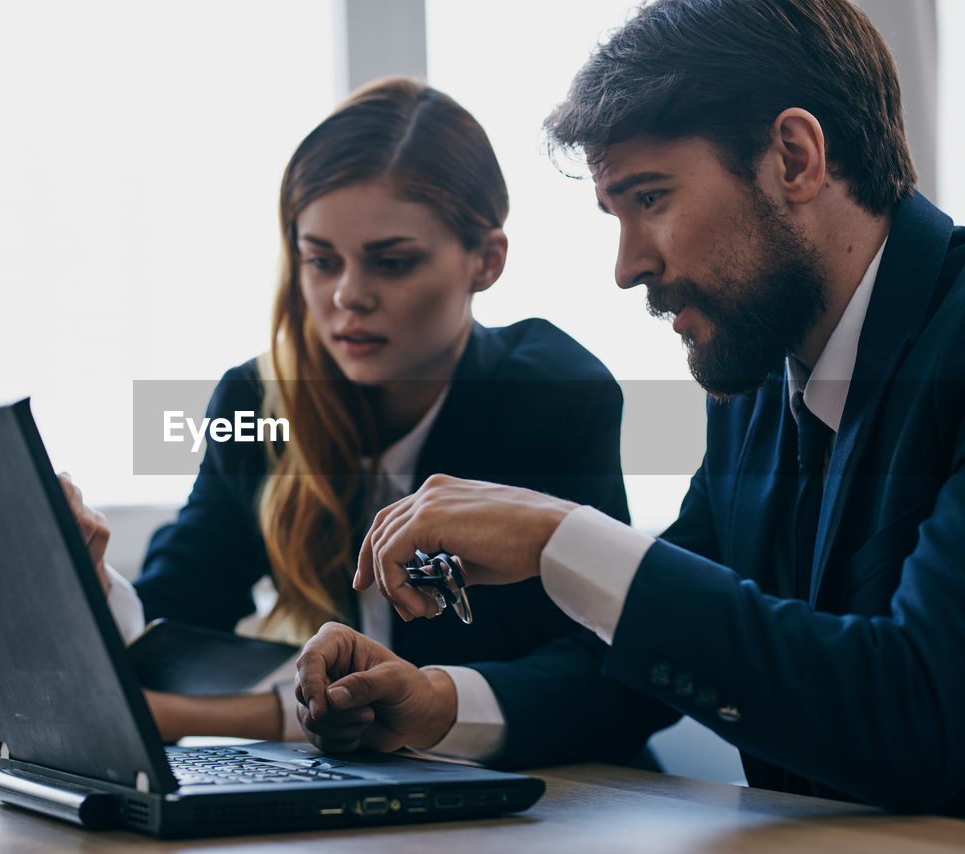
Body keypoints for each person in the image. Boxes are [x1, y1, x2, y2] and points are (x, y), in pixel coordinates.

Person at [295, 0, 965, 816]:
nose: (627, 267)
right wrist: (438, 701)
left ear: (795, 157)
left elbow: (923, 713)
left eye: (650, 199)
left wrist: (559, 538)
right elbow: (651, 664)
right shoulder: (761, 381)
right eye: (617, 215)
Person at [0, 77, 638, 760]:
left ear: (486, 261)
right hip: (364, 801)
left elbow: (611, 675)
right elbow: (184, 606)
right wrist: (88, 580)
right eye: (320, 261)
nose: (347, 296)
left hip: (563, 793)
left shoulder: (552, 394)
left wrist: (231, 716)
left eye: (392, 263)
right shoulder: (258, 402)